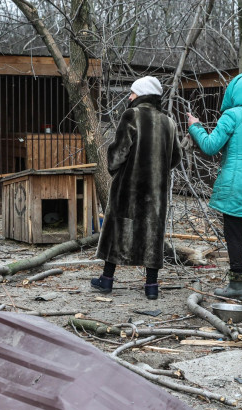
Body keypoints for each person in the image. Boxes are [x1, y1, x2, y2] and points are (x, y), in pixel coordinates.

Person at [93, 76, 182, 300]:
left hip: (129, 187)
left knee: (118, 230)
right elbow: (176, 157)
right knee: (153, 235)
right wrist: (159, 170)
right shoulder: (168, 122)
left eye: (132, 93)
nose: (129, 97)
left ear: (141, 94)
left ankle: (106, 280)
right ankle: (151, 286)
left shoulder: (131, 115)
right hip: (156, 191)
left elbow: (118, 153)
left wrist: (115, 170)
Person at [187, 73, 242, 301]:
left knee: (234, 235)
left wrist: (195, 127)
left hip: (235, 183)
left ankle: (237, 284)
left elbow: (210, 146)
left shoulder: (232, 115)